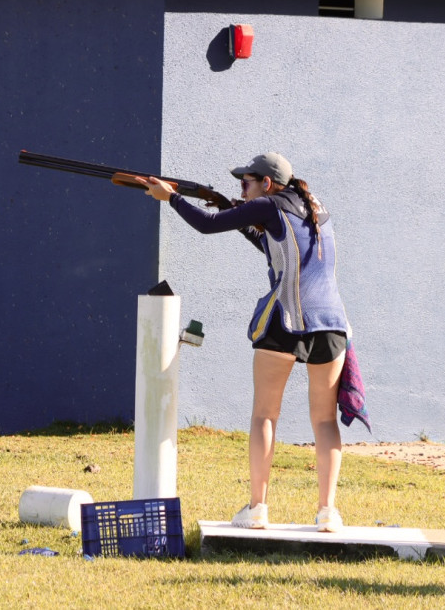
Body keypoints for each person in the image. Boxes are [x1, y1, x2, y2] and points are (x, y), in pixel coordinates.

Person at [139, 152, 349, 532]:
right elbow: (277, 247)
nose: (242, 189)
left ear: (267, 184)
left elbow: (206, 225)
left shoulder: (268, 205)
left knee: (265, 415)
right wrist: (236, 213)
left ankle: (257, 508)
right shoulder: (314, 207)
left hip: (285, 320)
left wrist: (170, 197)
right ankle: (327, 512)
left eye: (246, 183)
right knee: (324, 420)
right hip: (331, 322)